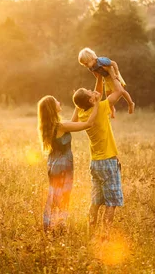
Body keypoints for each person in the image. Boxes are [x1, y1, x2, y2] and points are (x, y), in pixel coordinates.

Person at [71, 73, 124, 240]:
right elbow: (119, 91)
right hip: (108, 161)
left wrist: (99, 78)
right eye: (89, 92)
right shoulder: (101, 108)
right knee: (111, 203)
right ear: (91, 101)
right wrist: (112, 75)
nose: (92, 91)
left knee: (95, 202)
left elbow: (95, 93)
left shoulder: (83, 113)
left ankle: (90, 234)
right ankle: (105, 237)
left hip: (95, 163)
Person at [37, 95, 99, 232]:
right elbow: (88, 124)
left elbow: (72, 123)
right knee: (63, 195)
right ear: (52, 108)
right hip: (63, 166)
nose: (59, 102)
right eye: (56, 101)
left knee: (55, 194)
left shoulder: (53, 126)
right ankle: (59, 226)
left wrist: (77, 108)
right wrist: (97, 105)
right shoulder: (60, 126)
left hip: (54, 164)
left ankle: (52, 225)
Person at [77, 47, 135, 118]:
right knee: (108, 94)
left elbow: (113, 63)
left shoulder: (101, 61)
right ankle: (112, 110)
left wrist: (116, 74)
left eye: (86, 63)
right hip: (106, 78)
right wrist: (100, 80)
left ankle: (130, 103)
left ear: (92, 58)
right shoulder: (90, 67)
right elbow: (96, 74)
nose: (85, 66)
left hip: (113, 74)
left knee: (122, 91)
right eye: (84, 65)